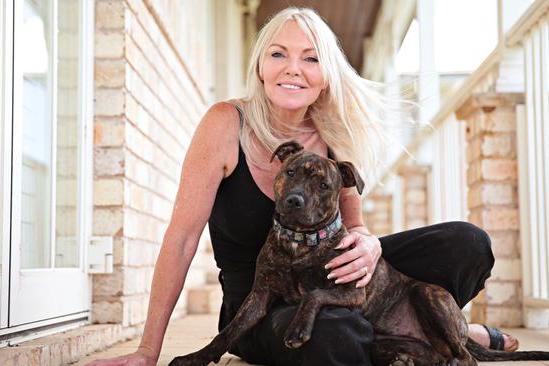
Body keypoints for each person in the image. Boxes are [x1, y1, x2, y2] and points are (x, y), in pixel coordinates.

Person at [88, 7, 518, 366]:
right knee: (337, 334)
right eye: (278, 54)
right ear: (260, 65)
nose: (293, 68)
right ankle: (433, 337)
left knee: (467, 242)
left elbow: (355, 228)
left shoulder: (334, 134)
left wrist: (370, 244)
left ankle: (438, 331)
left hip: (331, 282)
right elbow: (182, 239)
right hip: (264, 307)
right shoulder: (225, 124)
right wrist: (148, 350)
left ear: (325, 75)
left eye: (311, 59)